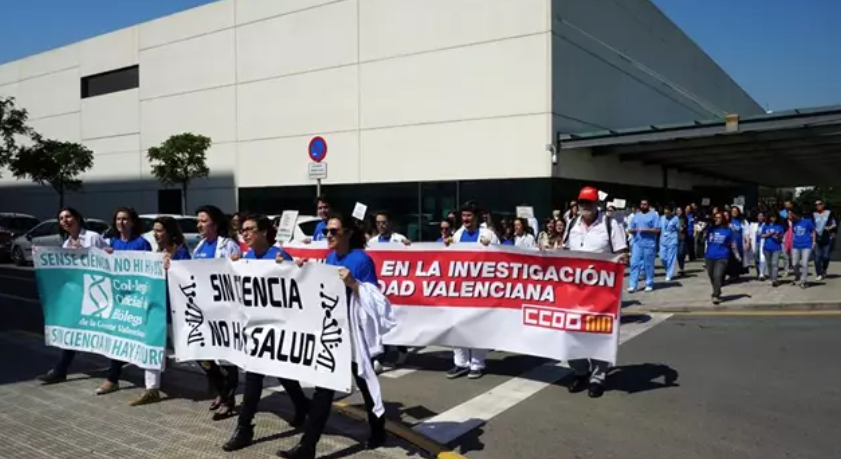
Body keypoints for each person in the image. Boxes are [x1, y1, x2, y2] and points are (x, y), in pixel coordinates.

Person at [278, 213, 392, 459]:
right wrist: (301, 270)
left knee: (365, 384)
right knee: (323, 390)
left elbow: (377, 301)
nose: (328, 235)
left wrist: (354, 284)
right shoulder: (330, 257)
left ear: (349, 233)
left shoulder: (361, 260)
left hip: (354, 337)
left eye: (334, 231)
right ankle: (307, 446)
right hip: (334, 335)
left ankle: (378, 430)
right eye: (327, 231)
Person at [223, 215, 311, 452]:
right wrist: (234, 267)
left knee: (281, 371)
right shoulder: (247, 259)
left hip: (279, 329)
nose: (245, 234)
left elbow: (297, 289)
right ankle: (245, 427)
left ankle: (302, 405)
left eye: (250, 229)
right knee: (254, 378)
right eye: (243, 230)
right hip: (256, 333)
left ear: (263, 232)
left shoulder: (279, 257)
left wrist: (292, 267)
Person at [563, 187, 627, 398]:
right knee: (571, 332)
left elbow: (622, 253)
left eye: (588, 202)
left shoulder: (611, 225)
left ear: (596, 204)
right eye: (582, 202)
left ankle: (598, 377)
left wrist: (622, 260)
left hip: (601, 291)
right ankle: (581, 371)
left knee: (599, 334)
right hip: (574, 291)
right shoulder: (571, 224)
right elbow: (563, 253)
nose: (584, 206)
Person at [38, 207, 109, 385]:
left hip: (98, 292)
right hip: (80, 295)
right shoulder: (67, 243)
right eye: (61, 218)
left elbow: (108, 258)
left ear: (77, 218)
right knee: (73, 330)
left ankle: (117, 366)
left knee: (108, 330)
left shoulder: (92, 237)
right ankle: (61, 369)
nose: (65, 221)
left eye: (68, 216)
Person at [96, 207, 156, 402]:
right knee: (118, 338)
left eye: (125, 219)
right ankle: (112, 378)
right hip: (118, 299)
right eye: (118, 219)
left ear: (132, 222)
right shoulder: (111, 244)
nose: (121, 222)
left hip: (137, 299)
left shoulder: (142, 243)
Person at [193, 205, 242, 420]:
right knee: (204, 357)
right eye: (198, 221)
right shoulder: (200, 246)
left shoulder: (228, 246)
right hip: (204, 311)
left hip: (224, 312)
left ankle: (228, 399)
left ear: (215, 222)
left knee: (226, 359)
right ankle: (221, 391)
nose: (199, 225)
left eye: (204, 221)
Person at [445, 201, 499, 380]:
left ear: (476, 217)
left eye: (469, 215)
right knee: (457, 324)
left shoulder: (488, 234)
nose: (466, 219)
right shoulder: (458, 234)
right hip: (460, 288)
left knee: (478, 326)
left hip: (481, 288)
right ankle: (460, 363)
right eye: (464, 215)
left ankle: (477, 363)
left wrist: (490, 247)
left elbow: (503, 257)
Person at [367, 210, 410, 370]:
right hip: (380, 287)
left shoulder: (399, 240)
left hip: (397, 288)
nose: (381, 226)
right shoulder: (372, 242)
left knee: (396, 321)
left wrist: (408, 247)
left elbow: (411, 259)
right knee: (379, 322)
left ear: (390, 223)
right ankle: (380, 357)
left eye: (384, 222)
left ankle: (402, 350)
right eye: (378, 223)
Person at [705, 212, 740, 304]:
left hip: (722, 256)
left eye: (719, 217)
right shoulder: (710, 229)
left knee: (718, 275)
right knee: (711, 276)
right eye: (715, 217)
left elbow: (733, 244)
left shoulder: (728, 230)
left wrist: (737, 255)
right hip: (710, 256)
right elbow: (703, 239)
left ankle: (715, 295)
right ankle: (717, 290)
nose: (717, 219)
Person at [627, 199, 659, 292]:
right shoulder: (636, 216)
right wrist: (632, 230)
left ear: (648, 205)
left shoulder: (654, 215)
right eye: (642, 204)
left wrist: (646, 230)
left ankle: (649, 283)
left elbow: (657, 230)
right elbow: (630, 228)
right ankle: (632, 285)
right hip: (637, 243)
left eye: (645, 204)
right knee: (634, 263)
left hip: (649, 244)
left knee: (648, 265)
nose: (643, 206)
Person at [789, 208, 816, 289]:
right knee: (794, 263)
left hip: (806, 245)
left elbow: (813, 231)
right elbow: (793, 233)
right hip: (796, 245)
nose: (790, 216)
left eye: (791, 214)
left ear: (796, 214)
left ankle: (803, 281)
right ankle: (797, 275)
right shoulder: (793, 223)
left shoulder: (807, 221)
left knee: (804, 263)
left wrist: (814, 241)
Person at [813, 200, 837, 281]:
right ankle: (819, 273)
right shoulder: (813, 214)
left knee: (826, 256)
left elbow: (834, 223)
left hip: (827, 238)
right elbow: (810, 225)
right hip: (816, 239)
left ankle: (824, 269)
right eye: (816, 205)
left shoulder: (829, 213)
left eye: (819, 204)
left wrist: (830, 228)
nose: (818, 206)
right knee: (817, 257)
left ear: (823, 204)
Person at [760, 212, 785, 287]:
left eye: (774, 217)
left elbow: (782, 238)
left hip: (776, 248)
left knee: (774, 263)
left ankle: (775, 279)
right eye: (771, 217)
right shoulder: (765, 226)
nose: (773, 219)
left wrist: (778, 236)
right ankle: (771, 278)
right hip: (767, 248)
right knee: (769, 264)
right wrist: (769, 234)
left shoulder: (779, 226)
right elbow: (762, 235)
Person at [658, 205, 679, 281]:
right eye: (665, 213)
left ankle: (669, 274)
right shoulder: (661, 218)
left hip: (672, 240)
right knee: (662, 257)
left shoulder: (675, 219)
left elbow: (678, 229)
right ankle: (668, 270)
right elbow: (659, 228)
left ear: (671, 212)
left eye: (667, 213)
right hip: (663, 240)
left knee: (671, 258)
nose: (666, 214)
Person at [726, 207, 747, 282]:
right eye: (733, 211)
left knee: (738, 259)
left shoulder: (742, 221)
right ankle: (731, 274)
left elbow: (746, 232)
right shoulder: (728, 221)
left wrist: (747, 242)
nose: (734, 212)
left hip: (739, 243)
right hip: (729, 243)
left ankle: (736, 274)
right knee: (730, 259)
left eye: (736, 211)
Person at [675, 206, 688, 275]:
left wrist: (682, 227)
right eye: (677, 210)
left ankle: (681, 268)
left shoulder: (684, 218)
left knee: (681, 253)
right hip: (675, 238)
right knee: (677, 254)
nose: (678, 212)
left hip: (682, 238)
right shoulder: (674, 219)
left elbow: (683, 227)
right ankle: (681, 268)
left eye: (680, 210)